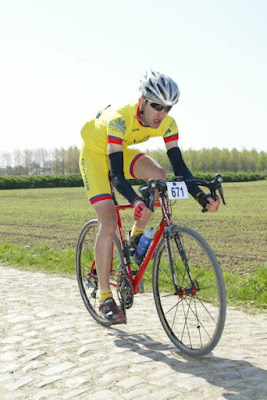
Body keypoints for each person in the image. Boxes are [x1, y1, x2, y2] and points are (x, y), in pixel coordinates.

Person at [79, 70, 220, 324]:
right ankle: (104, 297)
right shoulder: (120, 119)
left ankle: (133, 242)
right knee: (109, 223)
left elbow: (180, 170)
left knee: (158, 175)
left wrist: (201, 197)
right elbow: (117, 176)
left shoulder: (168, 124)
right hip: (95, 154)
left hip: (121, 150)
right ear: (142, 102)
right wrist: (135, 201)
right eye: (157, 106)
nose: (162, 114)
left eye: (167, 108)